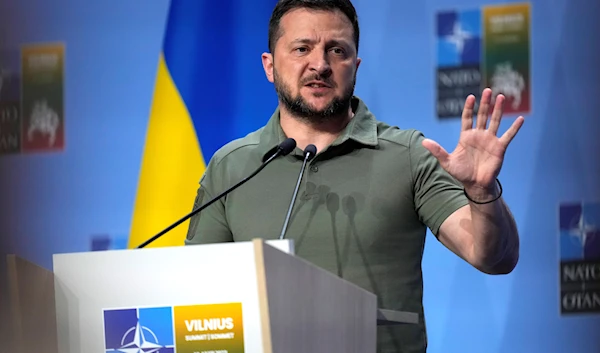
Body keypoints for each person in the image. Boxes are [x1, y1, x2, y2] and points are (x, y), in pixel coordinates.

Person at [185, 0, 523, 351]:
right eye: (302, 48)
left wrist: (482, 192)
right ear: (269, 66)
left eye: (337, 51)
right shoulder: (232, 166)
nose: (320, 64)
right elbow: (195, 300)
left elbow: (495, 257)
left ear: (355, 65)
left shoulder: (408, 155)